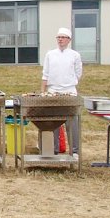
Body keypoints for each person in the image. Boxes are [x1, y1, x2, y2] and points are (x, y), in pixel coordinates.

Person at [41, 27, 83, 159]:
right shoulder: (50, 54)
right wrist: (43, 92)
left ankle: (75, 151)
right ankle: (53, 149)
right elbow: (45, 74)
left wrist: (70, 84)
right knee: (53, 122)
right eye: (58, 37)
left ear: (69, 40)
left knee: (72, 123)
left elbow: (78, 73)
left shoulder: (75, 55)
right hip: (53, 91)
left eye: (63, 37)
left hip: (69, 92)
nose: (60, 40)